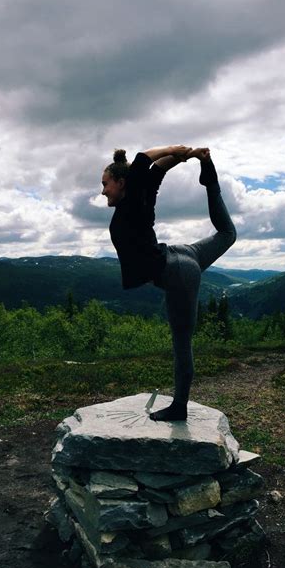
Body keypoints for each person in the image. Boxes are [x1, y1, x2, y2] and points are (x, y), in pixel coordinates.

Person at [102, 144, 236, 421]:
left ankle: (179, 407)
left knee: (182, 343)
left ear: (121, 182)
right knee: (227, 234)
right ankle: (209, 179)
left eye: (105, 184)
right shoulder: (141, 195)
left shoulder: (131, 201)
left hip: (177, 271)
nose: (103, 190)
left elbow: (144, 160)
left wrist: (178, 149)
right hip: (182, 254)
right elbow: (158, 168)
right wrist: (187, 157)